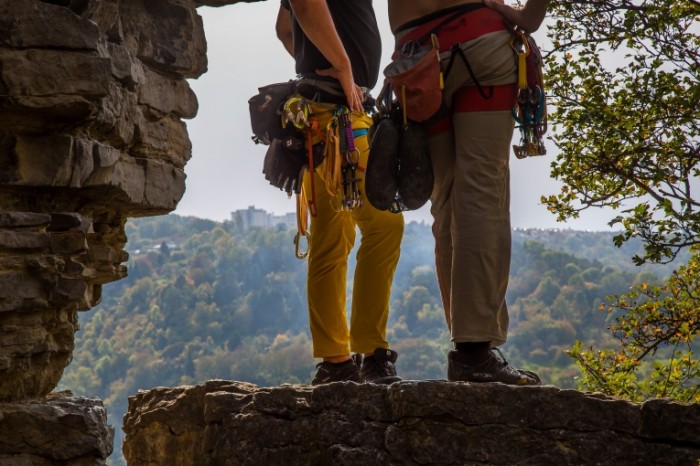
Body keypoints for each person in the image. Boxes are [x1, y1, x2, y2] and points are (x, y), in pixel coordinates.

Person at [384, 0, 550, 385]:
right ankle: (473, 350)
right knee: (480, 193)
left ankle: (468, 344)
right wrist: (528, 18)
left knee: (445, 201)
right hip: (481, 42)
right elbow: (531, 16)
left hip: (415, 59)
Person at [275, 0, 405, 385]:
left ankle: (336, 362)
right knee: (383, 225)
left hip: (327, 111)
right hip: (338, 112)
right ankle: (370, 354)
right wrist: (344, 68)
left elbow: (285, 28)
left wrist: (326, 61)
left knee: (334, 237)